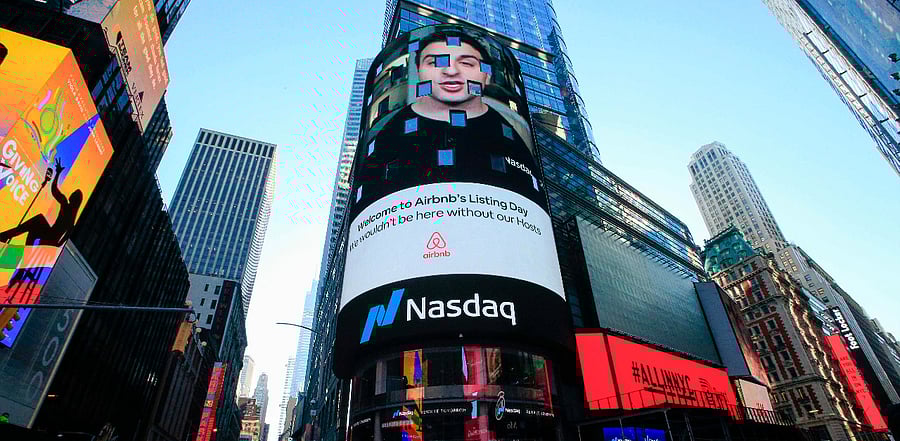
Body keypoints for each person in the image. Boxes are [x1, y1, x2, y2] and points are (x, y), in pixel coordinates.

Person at [410, 32, 492, 122]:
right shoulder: (394, 125)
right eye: (435, 62)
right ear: (418, 71)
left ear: (487, 75)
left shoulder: (504, 126)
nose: (451, 71)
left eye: (466, 63)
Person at [0, 158, 82, 247]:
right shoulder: (69, 213)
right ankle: (16, 243)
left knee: (39, 219)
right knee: (34, 225)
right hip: (49, 236)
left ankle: (6, 236)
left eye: (74, 194)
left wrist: (56, 244)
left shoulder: (66, 207)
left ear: (75, 200)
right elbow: (54, 190)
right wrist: (57, 244)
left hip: (49, 237)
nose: (71, 194)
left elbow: (54, 190)